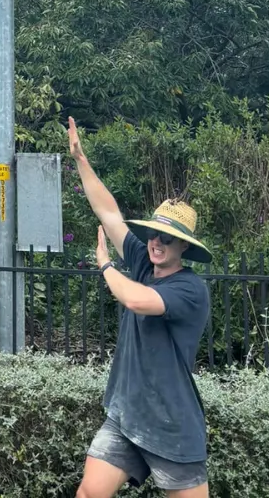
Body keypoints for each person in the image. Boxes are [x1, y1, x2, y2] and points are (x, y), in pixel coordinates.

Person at [68, 117, 212, 498]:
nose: (156, 242)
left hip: (172, 425)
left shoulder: (190, 289)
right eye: (153, 233)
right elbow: (109, 213)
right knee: (88, 494)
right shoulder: (145, 262)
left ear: (184, 247)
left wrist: (104, 264)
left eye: (167, 238)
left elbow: (135, 299)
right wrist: (81, 159)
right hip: (126, 416)